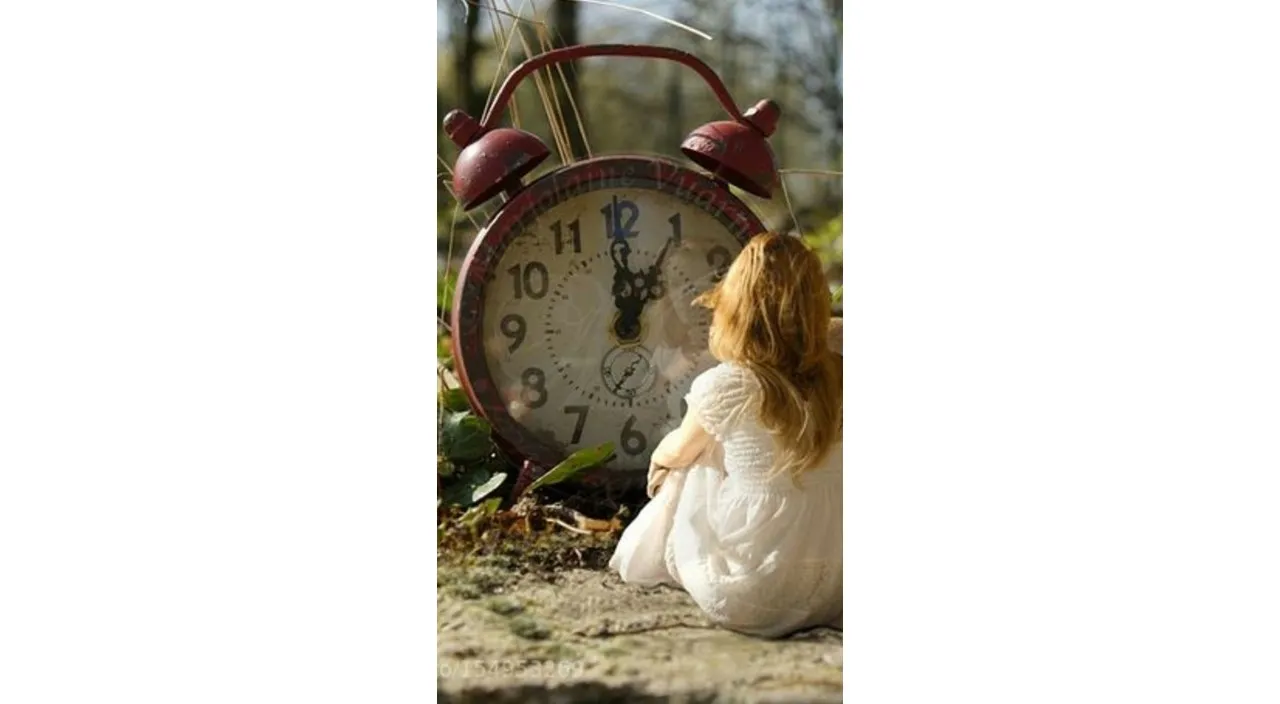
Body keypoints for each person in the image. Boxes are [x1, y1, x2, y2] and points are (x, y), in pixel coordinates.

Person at [609, 232, 843, 638]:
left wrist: (660, 459)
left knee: (697, 455)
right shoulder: (842, 369)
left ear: (738, 307)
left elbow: (679, 451)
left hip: (755, 587)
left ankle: (645, 558)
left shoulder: (730, 385)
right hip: (840, 582)